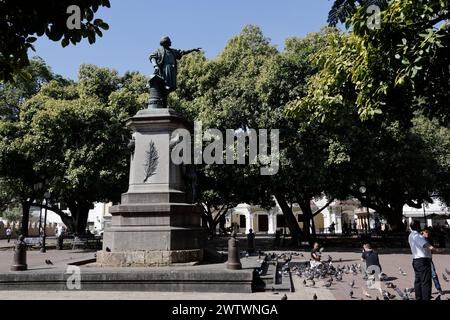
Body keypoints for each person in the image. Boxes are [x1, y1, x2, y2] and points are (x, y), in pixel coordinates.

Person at [408, 220, 441, 300]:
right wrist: (436, 250)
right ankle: (425, 297)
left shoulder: (410, 235)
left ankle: (418, 297)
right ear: (417, 227)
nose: (420, 227)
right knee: (426, 281)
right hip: (423, 261)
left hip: (416, 260)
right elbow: (425, 245)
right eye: (419, 225)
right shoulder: (417, 236)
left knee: (418, 281)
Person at [422, 227, 444, 296]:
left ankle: (439, 289)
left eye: (428, 232)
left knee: (434, 275)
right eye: (426, 232)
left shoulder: (430, 240)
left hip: (429, 259)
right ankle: (426, 291)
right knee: (424, 276)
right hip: (422, 260)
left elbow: (431, 250)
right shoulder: (420, 239)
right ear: (422, 232)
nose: (427, 233)